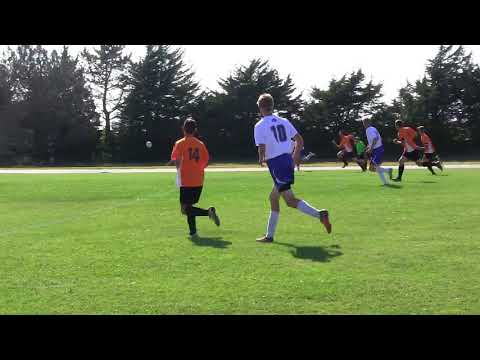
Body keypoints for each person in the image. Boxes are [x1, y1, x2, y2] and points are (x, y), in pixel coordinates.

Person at [254, 93, 331, 243]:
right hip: (286, 161)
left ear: (260, 108)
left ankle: (320, 215)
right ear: (272, 105)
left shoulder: (260, 125)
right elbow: (299, 140)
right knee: (273, 198)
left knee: (289, 200)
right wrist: (295, 155)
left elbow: (262, 146)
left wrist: (260, 158)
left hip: (277, 164)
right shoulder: (284, 121)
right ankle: (269, 236)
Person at [170, 118, 220, 238]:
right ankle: (193, 232)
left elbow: (176, 160)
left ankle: (208, 212)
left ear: (183, 129)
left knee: (184, 209)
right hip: (198, 180)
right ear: (195, 130)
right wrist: (197, 168)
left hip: (186, 180)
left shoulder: (179, 143)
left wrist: (179, 171)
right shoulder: (200, 144)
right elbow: (206, 161)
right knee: (189, 207)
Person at [362, 118, 393, 185]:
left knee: (372, 168)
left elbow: (375, 138)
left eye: (364, 123)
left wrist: (371, 148)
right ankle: (386, 180)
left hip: (377, 150)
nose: (363, 124)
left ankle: (388, 171)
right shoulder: (373, 128)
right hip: (378, 149)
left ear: (366, 123)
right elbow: (377, 138)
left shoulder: (368, 129)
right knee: (375, 167)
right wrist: (369, 147)